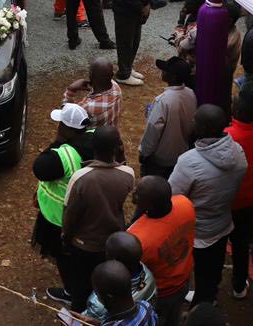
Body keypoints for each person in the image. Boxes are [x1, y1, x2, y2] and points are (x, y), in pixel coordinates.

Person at [168, 103, 247, 309]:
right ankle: (208, 296)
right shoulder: (238, 152)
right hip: (222, 223)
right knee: (213, 269)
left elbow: (172, 195)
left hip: (197, 229)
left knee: (200, 270)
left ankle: (200, 308)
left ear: (201, 128)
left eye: (196, 121)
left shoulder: (188, 161)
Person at [60, 125, 136, 313]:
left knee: (80, 289)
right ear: (117, 147)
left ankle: (78, 316)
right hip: (112, 242)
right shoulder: (128, 175)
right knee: (106, 288)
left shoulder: (80, 178)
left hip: (84, 244)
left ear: (92, 147)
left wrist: (66, 238)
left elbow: (69, 214)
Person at [128, 176, 195, 326]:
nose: (133, 194)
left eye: (138, 194)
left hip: (161, 291)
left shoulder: (138, 238)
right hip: (184, 279)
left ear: (148, 205)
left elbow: (134, 274)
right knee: (174, 316)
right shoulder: (185, 203)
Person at [225, 89, 253, 301]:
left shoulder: (229, 135)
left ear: (238, 111)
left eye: (234, 103)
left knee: (219, 243)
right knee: (242, 246)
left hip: (229, 201)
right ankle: (239, 285)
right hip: (251, 198)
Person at [75, 232, 157, 322]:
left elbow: (84, 320)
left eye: (107, 253)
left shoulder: (98, 304)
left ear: (114, 261)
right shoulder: (148, 276)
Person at [137, 56, 196, 179]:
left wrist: (144, 152)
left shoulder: (163, 101)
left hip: (161, 159)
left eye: (165, 70)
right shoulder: (191, 94)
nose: (162, 72)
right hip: (181, 154)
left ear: (173, 77)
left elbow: (153, 129)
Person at [63, 58, 122, 129]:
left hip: (91, 139)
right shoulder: (116, 88)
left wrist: (71, 90)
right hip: (110, 135)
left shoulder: (86, 107)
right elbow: (102, 83)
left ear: (90, 75)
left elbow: (66, 116)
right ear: (112, 75)